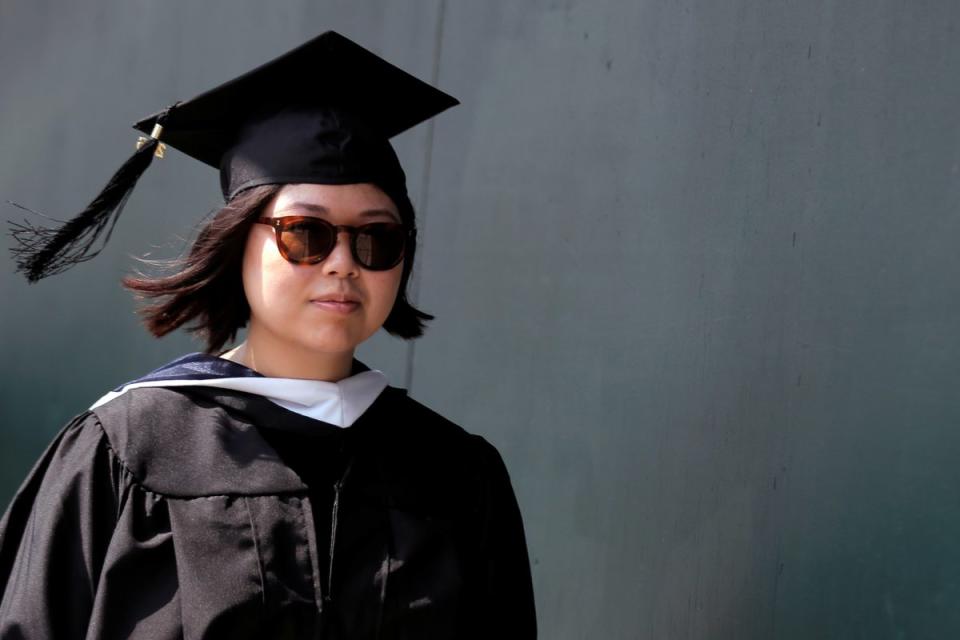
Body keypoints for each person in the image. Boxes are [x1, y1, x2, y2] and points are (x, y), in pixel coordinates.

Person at [0, 31, 536, 639]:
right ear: (236, 245)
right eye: (305, 233)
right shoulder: (125, 450)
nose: (343, 263)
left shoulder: (456, 474)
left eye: (377, 239)